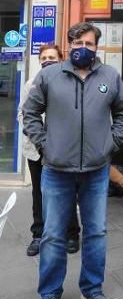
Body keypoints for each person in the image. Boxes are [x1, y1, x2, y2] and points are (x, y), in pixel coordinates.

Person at [23, 22, 123, 299]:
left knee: (96, 233)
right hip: (56, 171)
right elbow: (29, 113)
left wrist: (111, 143)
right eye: (76, 41)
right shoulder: (49, 75)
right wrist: (46, 145)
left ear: (96, 47)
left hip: (96, 171)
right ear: (68, 43)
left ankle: (92, 288)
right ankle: (48, 294)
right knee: (53, 235)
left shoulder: (109, 76)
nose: (82, 46)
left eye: (88, 42)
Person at [19, 44, 81, 257]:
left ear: (61, 59)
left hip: (63, 150)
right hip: (36, 149)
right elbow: (23, 114)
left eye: (52, 57)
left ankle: (72, 234)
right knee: (38, 193)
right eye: (44, 57)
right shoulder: (31, 85)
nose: (47, 60)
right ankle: (39, 234)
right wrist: (38, 137)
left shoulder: (71, 83)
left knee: (67, 191)